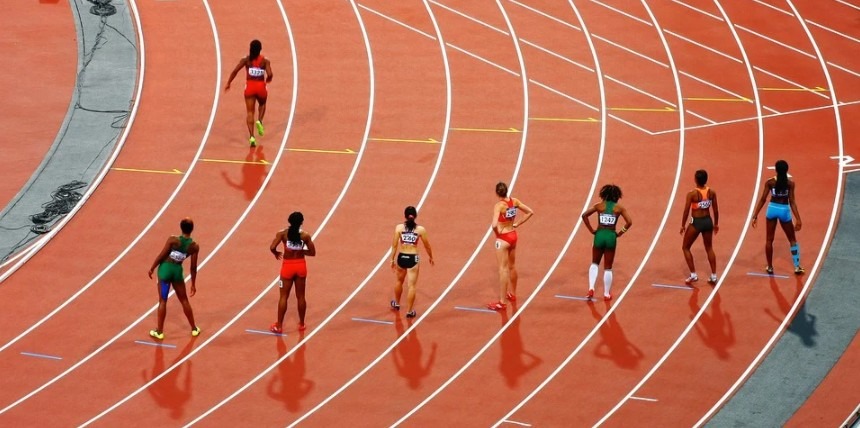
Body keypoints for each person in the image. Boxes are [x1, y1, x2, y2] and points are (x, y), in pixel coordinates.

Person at [147, 218, 201, 340]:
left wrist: (152, 267)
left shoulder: (173, 240)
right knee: (184, 300)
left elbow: (162, 255)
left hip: (165, 271)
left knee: (163, 301)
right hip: (177, 273)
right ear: (192, 229)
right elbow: (193, 267)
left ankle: (159, 332)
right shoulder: (194, 246)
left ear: (181, 227)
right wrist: (193, 284)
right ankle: (194, 329)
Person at [751, 160, 804, 275]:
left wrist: (755, 215)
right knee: (792, 240)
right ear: (787, 170)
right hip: (784, 210)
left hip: (772, 210)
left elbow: (763, 199)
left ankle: (770, 267)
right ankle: (797, 266)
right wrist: (798, 219)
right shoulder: (790, 184)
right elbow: (792, 202)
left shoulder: (770, 182)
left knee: (769, 240)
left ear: (775, 170)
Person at [581, 184, 632, 301]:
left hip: (599, 235)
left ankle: (591, 288)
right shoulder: (619, 208)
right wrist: (620, 232)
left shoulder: (599, 206)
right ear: (617, 196)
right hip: (611, 236)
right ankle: (606, 294)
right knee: (608, 267)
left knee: (594, 263)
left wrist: (591, 230)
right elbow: (629, 222)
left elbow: (584, 215)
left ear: (603, 195)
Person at [488, 182, 534, 311]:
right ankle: (512, 294)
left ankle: (502, 302)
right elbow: (530, 212)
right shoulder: (515, 201)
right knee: (512, 266)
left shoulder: (498, 206)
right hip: (513, 235)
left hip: (503, 238)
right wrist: (517, 224)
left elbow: (493, 225)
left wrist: (498, 235)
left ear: (497, 193)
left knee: (503, 269)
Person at [269, 212, 316, 333]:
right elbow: (312, 252)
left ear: (289, 221)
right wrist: (301, 251)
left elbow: (272, 247)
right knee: (301, 296)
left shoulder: (282, 234)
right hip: (301, 266)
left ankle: (279, 326)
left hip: (287, 267)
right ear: (302, 222)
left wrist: (276, 253)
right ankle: (301, 324)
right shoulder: (305, 236)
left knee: (283, 296)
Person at [225, 39, 273, 147]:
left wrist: (228, 83)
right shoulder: (265, 61)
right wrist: (269, 79)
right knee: (262, 104)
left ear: (250, 49)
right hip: (261, 86)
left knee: (250, 112)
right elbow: (270, 74)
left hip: (250, 87)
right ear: (260, 49)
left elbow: (235, 71)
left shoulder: (246, 60)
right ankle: (260, 121)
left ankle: (252, 137)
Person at [389, 206, 434, 318]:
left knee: (399, 281)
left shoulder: (399, 228)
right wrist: (431, 257)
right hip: (413, 258)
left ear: (405, 215)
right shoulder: (420, 230)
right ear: (415, 216)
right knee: (412, 286)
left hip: (401, 257)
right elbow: (427, 245)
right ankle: (409, 311)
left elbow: (394, 245)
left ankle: (397, 304)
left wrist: (392, 259)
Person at [680, 169, 720, 285]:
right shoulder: (711, 192)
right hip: (708, 221)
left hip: (696, 222)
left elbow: (686, 211)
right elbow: (716, 210)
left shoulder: (692, 194)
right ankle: (713, 276)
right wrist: (716, 224)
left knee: (685, 247)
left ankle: (693, 274)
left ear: (696, 180)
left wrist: (682, 225)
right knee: (709, 248)